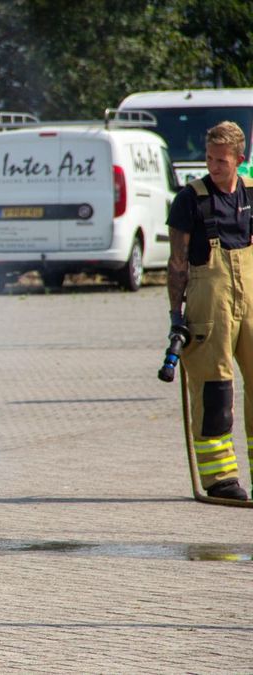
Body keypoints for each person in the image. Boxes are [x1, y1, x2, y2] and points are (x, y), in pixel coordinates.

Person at [167, 120, 253, 501]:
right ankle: (220, 479)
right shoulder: (190, 199)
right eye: (209, 158)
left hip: (250, 298)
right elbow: (177, 263)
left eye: (221, 160)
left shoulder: (251, 194)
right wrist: (175, 316)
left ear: (240, 158)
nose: (213, 166)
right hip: (208, 302)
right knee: (215, 388)